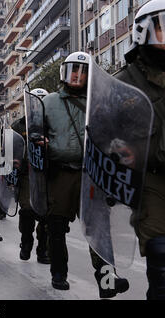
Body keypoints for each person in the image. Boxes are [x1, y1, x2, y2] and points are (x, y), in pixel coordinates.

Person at [41, 52, 129, 298]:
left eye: (82, 70)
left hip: (92, 172)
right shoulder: (48, 102)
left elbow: (113, 132)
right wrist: (40, 139)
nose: (77, 75)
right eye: (73, 70)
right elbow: (33, 129)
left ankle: (107, 280)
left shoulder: (100, 100)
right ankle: (59, 273)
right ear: (64, 73)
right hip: (60, 173)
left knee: (99, 228)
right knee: (56, 227)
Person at [115, 0, 165, 300]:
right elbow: (106, 131)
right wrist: (117, 151)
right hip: (151, 182)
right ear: (144, 31)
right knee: (163, 262)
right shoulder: (125, 82)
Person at [11, 88, 51, 264]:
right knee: (27, 210)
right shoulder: (18, 126)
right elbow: (10, 148)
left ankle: (43, 249)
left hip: (49, 174)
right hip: (27, 174)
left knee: (47, 214)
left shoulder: (53, 123)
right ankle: (26, 241)